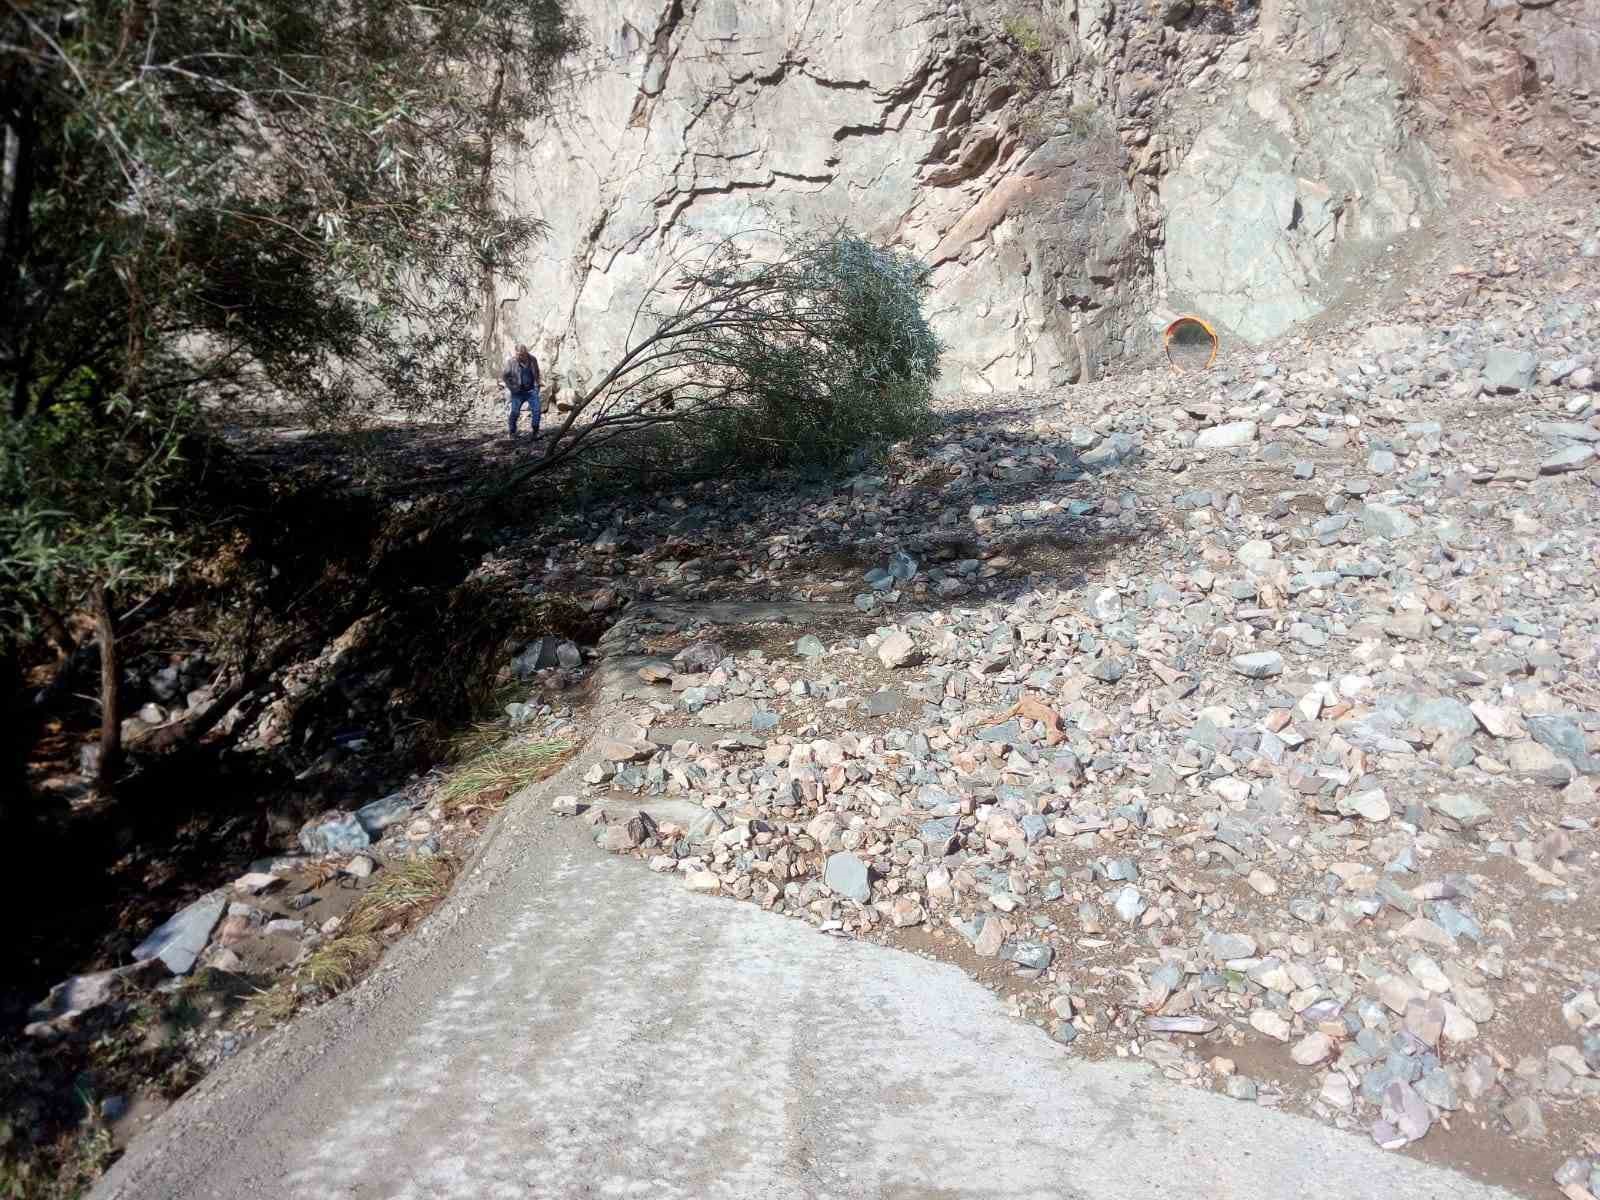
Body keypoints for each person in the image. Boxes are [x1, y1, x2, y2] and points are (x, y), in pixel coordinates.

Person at [501, 344, 542, 441]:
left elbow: (536, 372)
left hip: (531, 390)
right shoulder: (511, 362)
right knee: (515, 412)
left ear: (526, 353)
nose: (519, 357)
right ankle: (512, 432)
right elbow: (505, 376)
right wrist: (512, 388)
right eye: (518, 355)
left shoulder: (533, 359)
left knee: (537, 410)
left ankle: (535, 432)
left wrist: (537, 386)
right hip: (518, 391)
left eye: (522, 355)